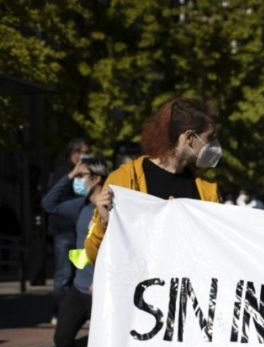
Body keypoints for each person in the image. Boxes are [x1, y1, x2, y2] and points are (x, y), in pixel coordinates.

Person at [85, 97, 221, 264]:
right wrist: (104, 224)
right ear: (189, 138)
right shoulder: (124, 180)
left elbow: (216, 253)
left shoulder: (208, 190)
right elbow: (94, 257)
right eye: (210, 137)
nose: (214, 145)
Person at [41, 156, 109, 347]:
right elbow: (48, 204)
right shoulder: (79, 206)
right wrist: (69, 176)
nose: (79, 181)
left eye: (82, 175)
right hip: (81, 289)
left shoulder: (114, 206)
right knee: (63, 338)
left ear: (97, 179)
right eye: (78, 176)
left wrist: (103, 280)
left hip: (105, 292)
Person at [46, 138, 91, 318]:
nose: (85, 156)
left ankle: (78, 315)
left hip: (80, 231)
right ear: (74, 154)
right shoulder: (62, 174)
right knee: (63, 275)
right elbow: (51, 201)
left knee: (80, 274)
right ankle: (59, 313)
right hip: (64, 232)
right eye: (83, 152)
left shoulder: (87, 173)